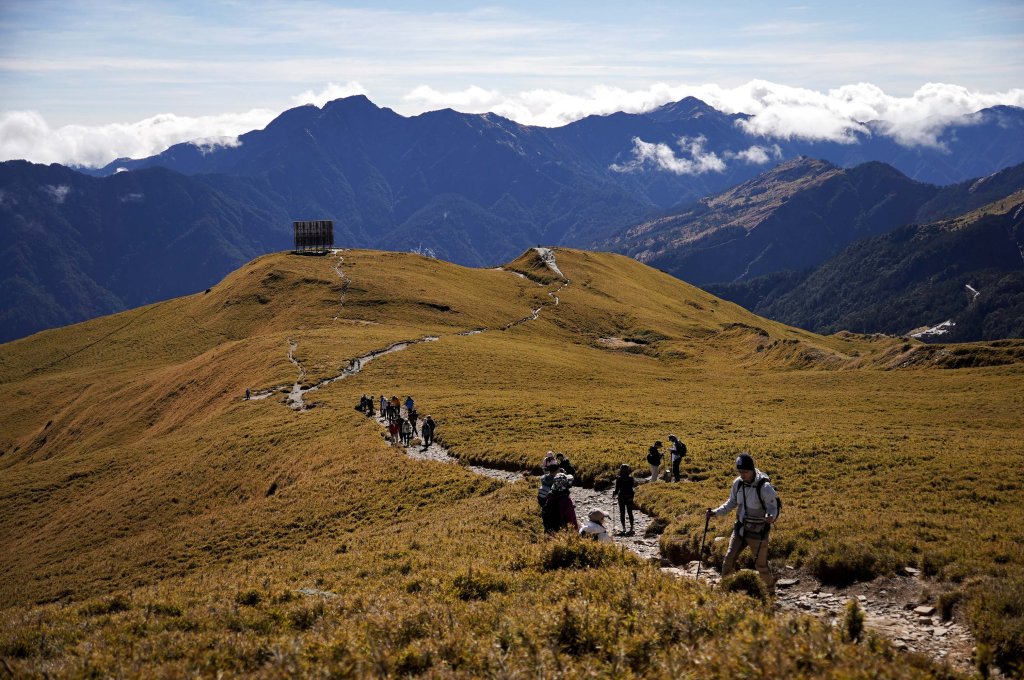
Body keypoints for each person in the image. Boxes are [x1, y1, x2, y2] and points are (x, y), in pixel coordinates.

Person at [706, 453, 778, 593]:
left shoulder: (764, 487)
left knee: (761, 566)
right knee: (728, 560)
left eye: (745, 472)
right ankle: (726, 589)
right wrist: (715, 513)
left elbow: (773, 507)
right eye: (740, 472)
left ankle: (770, 591)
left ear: (752, 469)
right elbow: (731, 503)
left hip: (758, 530)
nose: (742, 475)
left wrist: (771, 516)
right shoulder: (738, 483)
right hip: (740, 528)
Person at [612, 464, 636, 536]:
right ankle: (631, 528)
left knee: (622, 513)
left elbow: (617, 490)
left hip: (621, 497)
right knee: (630, 512)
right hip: (630, 497)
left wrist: (614, 494)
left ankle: (624, 528)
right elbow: (632, 486)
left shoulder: (619, 479)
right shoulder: (631, 478)